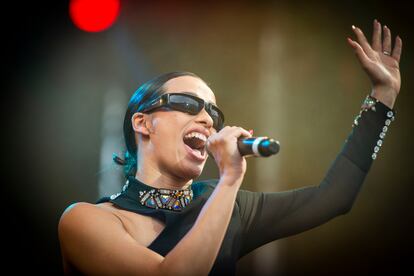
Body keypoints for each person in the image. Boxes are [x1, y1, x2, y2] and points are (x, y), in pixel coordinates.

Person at [58, 19, 402, 275]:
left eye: (213, 112)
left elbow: (334, 197)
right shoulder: (87, 220)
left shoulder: (227, 206)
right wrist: (230, 180)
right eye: (189, 104)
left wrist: (383, 97)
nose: (208, 119)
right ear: (143, 123)